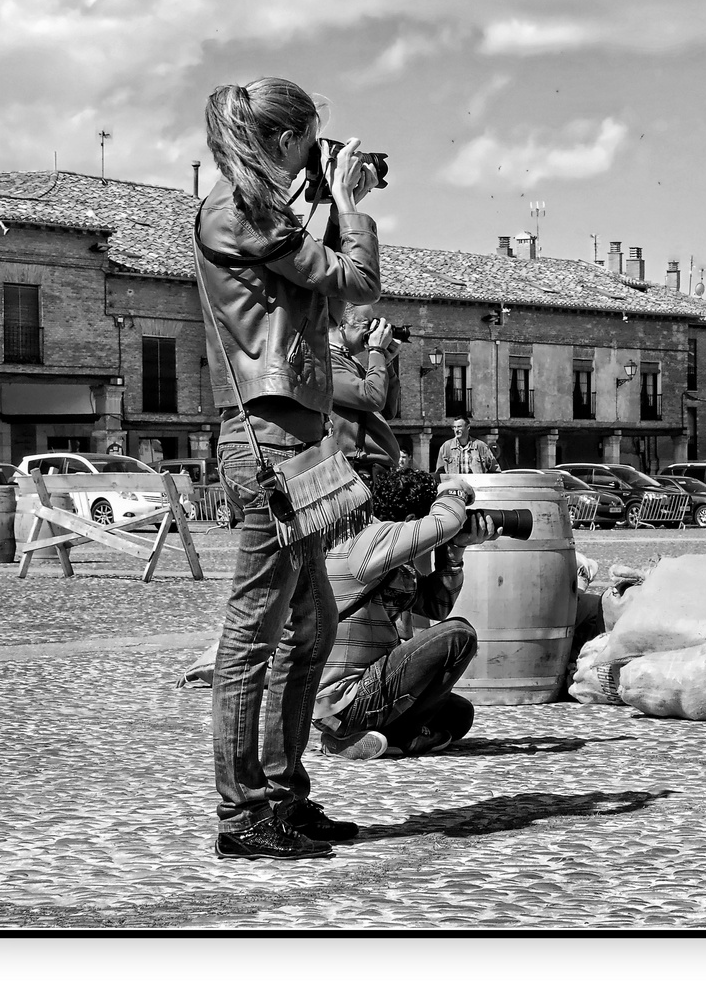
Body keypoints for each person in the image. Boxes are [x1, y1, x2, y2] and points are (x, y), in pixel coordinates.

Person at [197, 76, 382, 861]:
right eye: (309, 138)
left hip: (299, 435)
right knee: (254, 632)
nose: (317, 151)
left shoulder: (261, 208)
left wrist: (322, 192)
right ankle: (242, 816)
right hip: (269, 441)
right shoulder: (235, 210)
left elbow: (321, 287)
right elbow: (354, 284)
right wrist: (353, 206)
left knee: (313, 622)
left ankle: (281, 792)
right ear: (283, 139)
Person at [313, 467, 497, 760]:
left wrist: (456, 550)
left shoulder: (389, 556)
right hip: (344, 698)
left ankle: (354, 739)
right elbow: (446, 520)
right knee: (459, 635)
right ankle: (396, 735)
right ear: (414, 522)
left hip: (368, 689)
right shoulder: (369, 540)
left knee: (459, 715)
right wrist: (455, 492)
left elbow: (435, 607)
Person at [328, 302, 402, 478]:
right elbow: (372, 397)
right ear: (341, 324)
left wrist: (386, 361)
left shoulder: (352, 362)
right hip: (354, 470)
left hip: (372, 469)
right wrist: (376, 350)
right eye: (367, 325)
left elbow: (388, 409)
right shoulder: (325, 364)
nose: (372, 332)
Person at [435, 412, 500, 477]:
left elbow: (495, 471)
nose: (456, 430)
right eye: (454, 427)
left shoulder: (481, 446)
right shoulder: (446, 447)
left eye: (459, 427)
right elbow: (439, 473)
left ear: (468, 427)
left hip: (475, 486)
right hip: (455, 486)